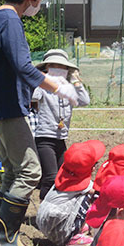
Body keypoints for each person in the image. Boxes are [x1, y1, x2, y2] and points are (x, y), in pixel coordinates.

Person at [0, 0, 79, 246]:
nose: (40, 4)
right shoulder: (10, 21)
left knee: (12, 171)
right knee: (29, 171)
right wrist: (58, 87)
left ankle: (1, 239)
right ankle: (6, 240)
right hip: (8, 108)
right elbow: (23, 66)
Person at [33, 49, 90, 200]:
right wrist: (39, 80)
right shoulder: (42, 88)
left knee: (62, 176)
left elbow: (85, 101)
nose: (58, 69)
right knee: (50, 177)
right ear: (46, 68)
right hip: (44, 138)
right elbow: (32, 96)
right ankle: (44, 213)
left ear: (67, 70)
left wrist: (76, 81)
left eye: (62, 66)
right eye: (53, 66)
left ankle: (55, 210)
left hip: (60, 139)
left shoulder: (70, 89)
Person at [36, 140, 106, 246]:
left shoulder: (65, 177)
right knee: (89, 197)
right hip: (59, 233)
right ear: (92, 168)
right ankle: (72, 237)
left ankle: (75, 228)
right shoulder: (83, 186)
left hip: (44, 222)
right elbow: (100, 192)